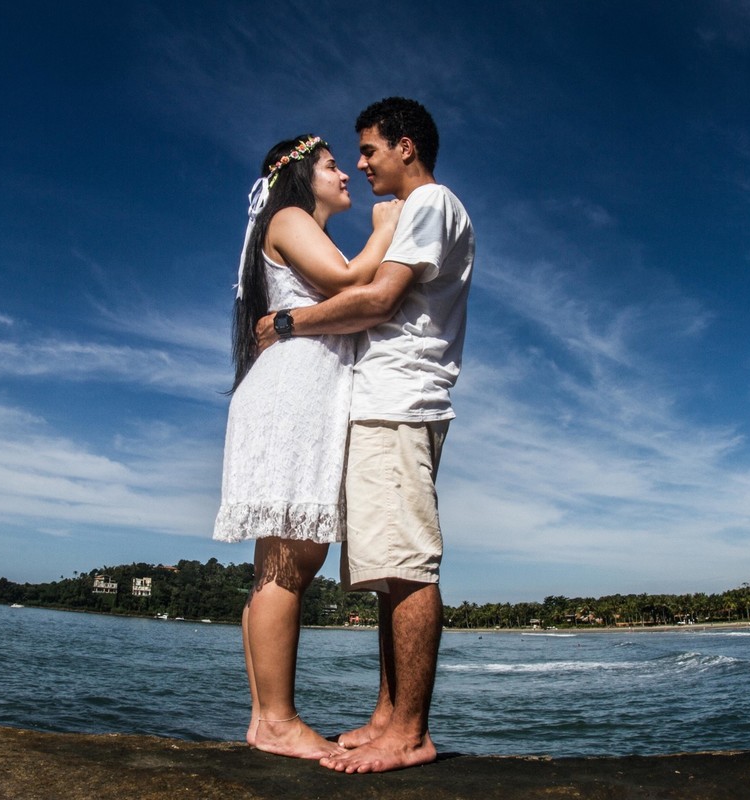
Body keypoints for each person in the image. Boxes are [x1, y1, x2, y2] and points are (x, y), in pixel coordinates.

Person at [255, 97, 475, 773]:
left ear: (405, 146)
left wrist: (288, 324)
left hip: (398, 401)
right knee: (387, 570)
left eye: (370, 149)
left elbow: (377, 300)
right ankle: (388, 717)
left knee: (406, 565)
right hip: (387, 402)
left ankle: (409, 733)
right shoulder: (416, 213)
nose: (360, 162)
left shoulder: (431, 205)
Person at [213, 133, 402, 760]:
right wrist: (387, 222)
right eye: (330, 165)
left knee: (284, 561)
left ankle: (267, 718)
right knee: (290, 562)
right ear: (298, 176)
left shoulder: (297, 227)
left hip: (298, 394)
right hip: (293, 396)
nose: (346, 173)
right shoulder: (289, 217)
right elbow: (352, 279)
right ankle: (276, 720)